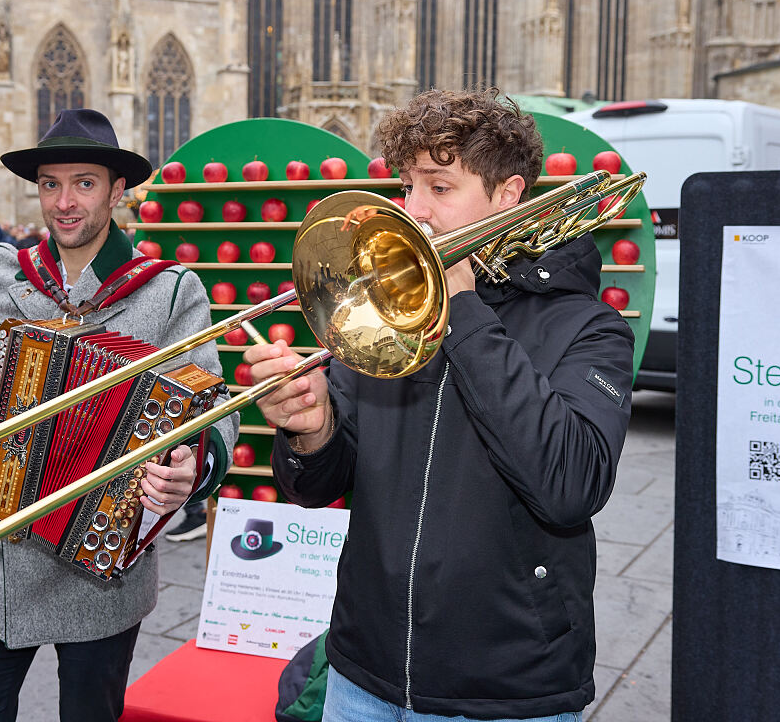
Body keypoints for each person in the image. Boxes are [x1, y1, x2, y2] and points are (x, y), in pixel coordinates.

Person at [245, 88, 635, 721]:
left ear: (508, 195)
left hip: (504, 690)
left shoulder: (589, 329)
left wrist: (467, 314)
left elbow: (570, 486)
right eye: (407, 187)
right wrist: (310, 432)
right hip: (360, 669)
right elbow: (318, 487)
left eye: (440, 188)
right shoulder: (388, 312)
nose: (411, 211)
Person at [0, 108, 236, 722]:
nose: (64, 201)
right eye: (51, 184)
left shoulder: (168, 290)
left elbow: (212, 407)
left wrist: (192, 462)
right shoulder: (0, 271)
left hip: (102, 567)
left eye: (84, 182)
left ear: (116, 191)